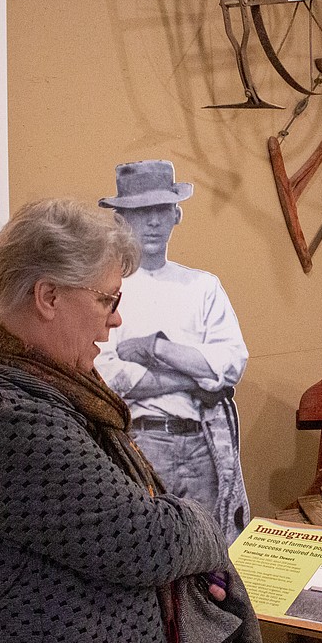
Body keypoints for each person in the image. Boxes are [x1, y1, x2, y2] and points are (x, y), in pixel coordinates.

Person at [0, 199, 262, 643]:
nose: (116, 319)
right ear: (49, 296)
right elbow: (147, 541)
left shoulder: (51, 393)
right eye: (107, 299)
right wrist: (202, 527)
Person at [95, 160, 250, 542]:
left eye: (162, 210)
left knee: (209, 555)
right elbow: (107, 376)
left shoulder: (202, 287)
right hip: (139, 445)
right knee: (145, 551)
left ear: (176, 214)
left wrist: (153, 347)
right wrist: (193, 374)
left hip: (202, 447)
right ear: (120, 220)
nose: (152, 222)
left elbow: (231, 365)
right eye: (141, 212)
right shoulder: (105, 288)